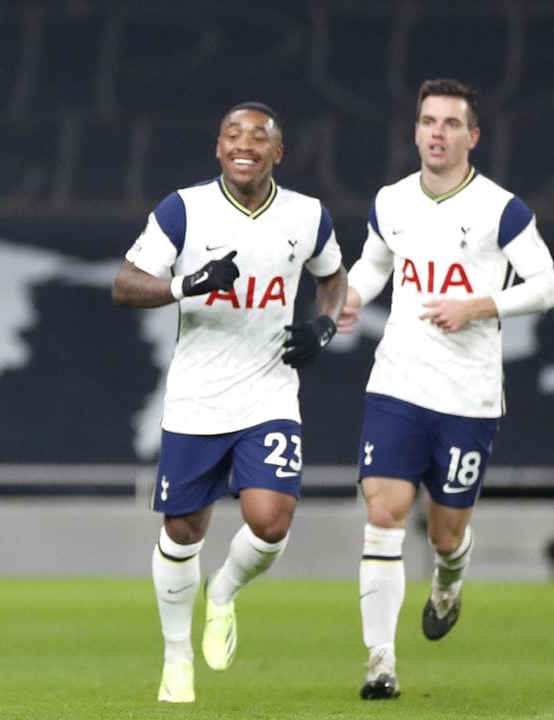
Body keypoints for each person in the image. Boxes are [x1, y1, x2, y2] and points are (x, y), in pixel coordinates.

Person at [110, 101, 347, 704]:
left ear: (277, 153)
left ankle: (223, 592)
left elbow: (333, 275)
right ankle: (176, 658)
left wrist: (322, 328)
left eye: (259, 137)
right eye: (233, 135)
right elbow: (124, 285)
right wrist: (185, 284)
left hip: (270, 392)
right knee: (184, 528)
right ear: (218, 148)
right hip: (197, 397)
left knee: (271, 521)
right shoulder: (183, 210)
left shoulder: (306, 216)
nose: (246, 144)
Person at [340, 78, 554, 700]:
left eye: (450, 123)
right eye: (428, 121)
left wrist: (478, 305)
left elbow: (546, 286)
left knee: (445, 532)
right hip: (398, 382)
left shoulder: (502, 209)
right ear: (415, 131)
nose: (437, 133)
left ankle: (448, 579)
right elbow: (377, 262)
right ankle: (380, 663)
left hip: (468, 395)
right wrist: (351, 296)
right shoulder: (391, 202)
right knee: (382, 514)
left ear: (472, 137)